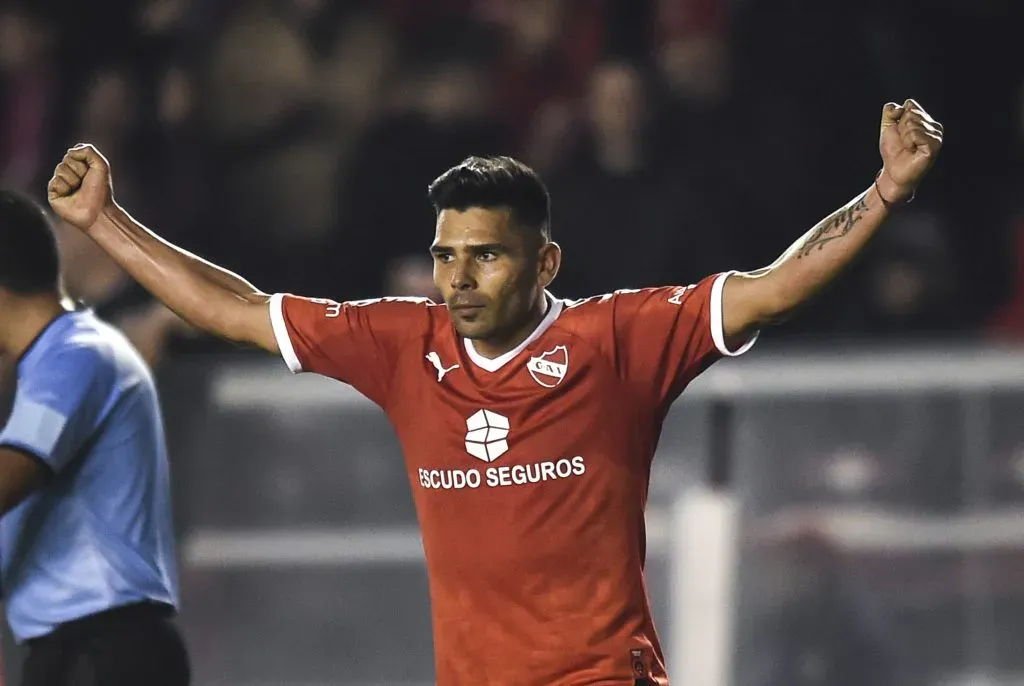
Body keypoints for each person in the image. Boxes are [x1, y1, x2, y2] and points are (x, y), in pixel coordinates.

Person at [47, 99, 943, 685]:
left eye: (486, 253)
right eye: (445, 255)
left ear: (544, 261)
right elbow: (239, 310)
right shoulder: (403, 344)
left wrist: (883, 194)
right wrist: (105, 223)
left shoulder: (619, 339)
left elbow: (774, 286)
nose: (459, 278)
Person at [0, 191, 188, 686]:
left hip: (107, 652)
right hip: (70, 653)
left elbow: (9, 477)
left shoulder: (79, 356)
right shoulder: (45, 369)